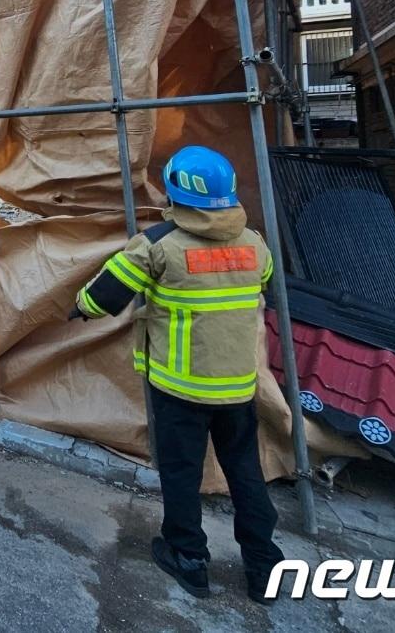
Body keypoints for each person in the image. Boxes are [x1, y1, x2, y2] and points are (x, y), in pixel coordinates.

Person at [68, 145, 284, 605]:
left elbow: (105, 295)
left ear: (175, 193)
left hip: (180, 388)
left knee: (182, 474)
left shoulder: (159, 244)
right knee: (245, 470)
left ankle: (189, 558)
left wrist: (79, 308)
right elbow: (265, 282)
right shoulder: (256, 243)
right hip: (238, 386)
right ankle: (263, 566)